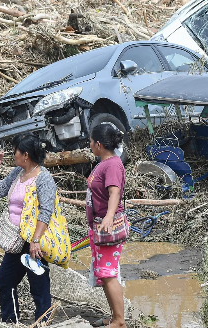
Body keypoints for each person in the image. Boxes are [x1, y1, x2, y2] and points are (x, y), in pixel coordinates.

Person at [0, 134, 56, 323]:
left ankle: (42, 323)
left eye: (15, 152)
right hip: (16, 240)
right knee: (4, 280)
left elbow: (46, 211)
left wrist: (36, 241)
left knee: (39, 286)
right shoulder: (18, 172)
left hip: (34, 240)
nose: (13, 155)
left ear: (25, 155)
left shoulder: (43, 178)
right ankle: (11, 322)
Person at [86, 123, 126, 328]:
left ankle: (119, 321)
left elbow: (114, 192)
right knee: (104, 273)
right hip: (99, 226)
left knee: (108, 274)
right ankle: (114, 316)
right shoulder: (104, 163)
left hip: (107, 226)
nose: (90, 144)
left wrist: (109, 216)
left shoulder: (111, 165)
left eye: (91, 141)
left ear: (99, 144)